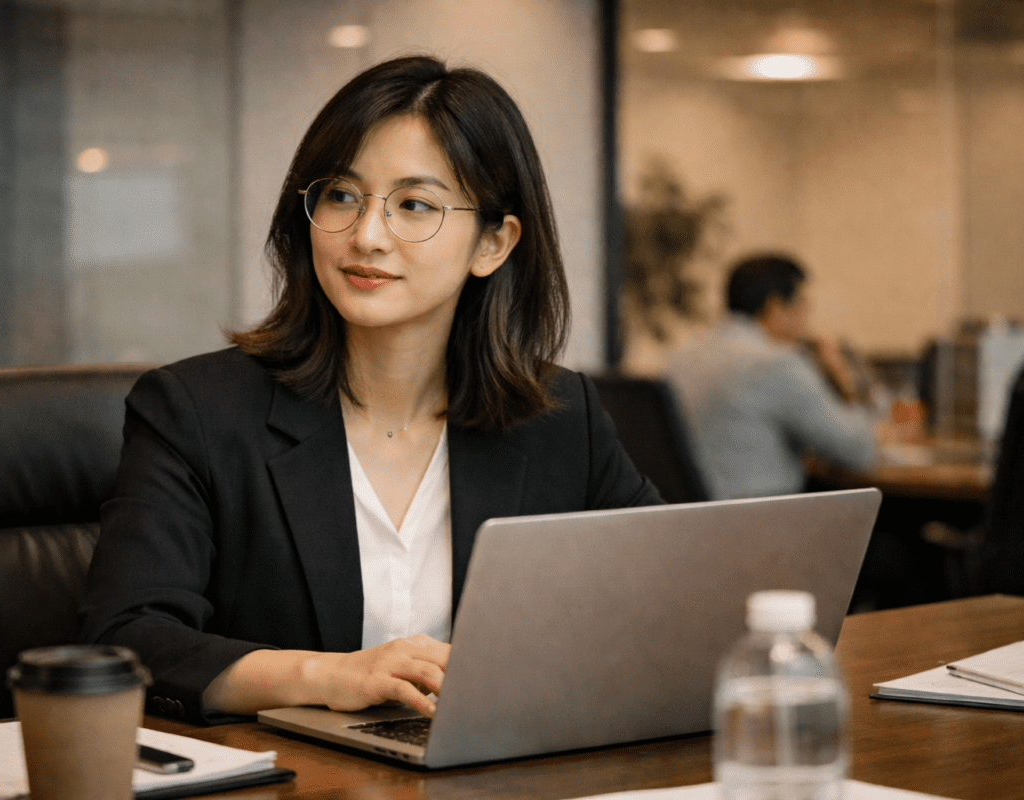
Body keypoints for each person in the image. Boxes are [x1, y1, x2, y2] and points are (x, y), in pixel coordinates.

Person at [79, 55, 663, 726]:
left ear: (493, 244)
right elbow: (126, 641)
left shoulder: (559, 420)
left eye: (414, 205)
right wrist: (331, 675)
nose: (367, 236)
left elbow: (663, 604)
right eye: (341, 196)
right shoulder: (195, 412)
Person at [666, 253, 877, 500]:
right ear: (775, 306)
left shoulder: (680, 357)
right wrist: (841, 375)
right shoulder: (776, 362)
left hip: (687, 514)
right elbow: (857, 449)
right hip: (762, 518)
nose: (807, 317)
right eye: (803, 305)